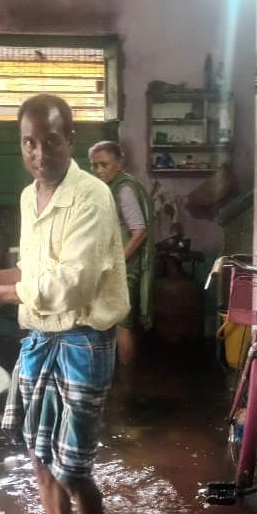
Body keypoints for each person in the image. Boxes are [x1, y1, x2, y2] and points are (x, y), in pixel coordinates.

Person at [0, 94, 129, 514]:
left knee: (72, 466)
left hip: (84, 340)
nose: (40, 154)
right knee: (39, 456)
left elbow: (73, 285)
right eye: (29, 143)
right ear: (20, 145)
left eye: (51, 141)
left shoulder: (92, 197)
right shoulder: (31, 198)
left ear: (71, 138)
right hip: (41, 337)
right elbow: (35, 272)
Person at [88, 141, 153, 366]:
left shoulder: (124, 189)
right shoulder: (110, 188)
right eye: (94, 165)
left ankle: (126, 384)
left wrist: (118, 262)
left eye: (104, 164)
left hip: (125, 268)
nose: (99, 170)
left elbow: (139, 232)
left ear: (119, 163)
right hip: (115, 265)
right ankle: (118, 377)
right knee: (115, 322)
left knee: (122, 325)